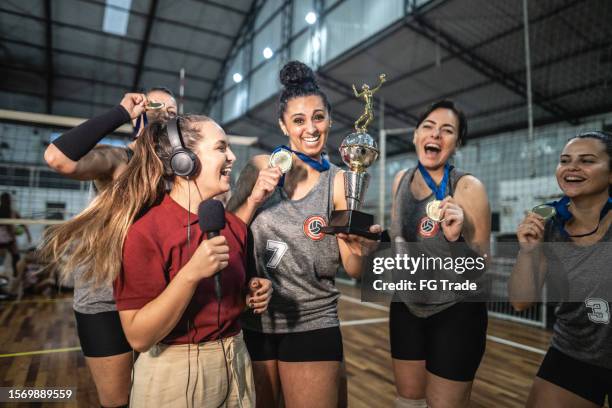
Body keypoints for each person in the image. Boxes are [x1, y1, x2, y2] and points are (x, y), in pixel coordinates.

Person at [42, 114, 272, 407]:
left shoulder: (235, 226)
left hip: (237, 364)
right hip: (174, 374)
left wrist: (253, 292)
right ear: (183, 161)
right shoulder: (145, 233)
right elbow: (139, 337)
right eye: (221, 147)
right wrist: (190, 274)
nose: (233, 156)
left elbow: (231, 301)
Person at [228, 60, 380, 408]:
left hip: (312, 320)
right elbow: (228, 234)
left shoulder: (342, 181)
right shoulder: (258, 168)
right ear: (283, 125)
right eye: (298, 120)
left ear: (330, 119)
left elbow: (353, 269)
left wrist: (360, 248)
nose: (310, 128)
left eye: (318, 117)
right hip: (253, 322)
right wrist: (254, 199)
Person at [41, 87, 177, 407]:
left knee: (157, 397)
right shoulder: (119, 159)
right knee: (118, 401)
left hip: (155, 300)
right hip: (105, 299)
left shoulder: (176, 174)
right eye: (157, 107)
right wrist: (119, 113)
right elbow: (56, 158)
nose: (165, 116)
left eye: (173, 113)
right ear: (141, 112)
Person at [389, 100, 491, 408]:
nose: (436, 135)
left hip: (456, 312)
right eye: (428, 127)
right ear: (416, 135)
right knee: (408, 403)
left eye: (447, 130)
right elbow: (398, 243)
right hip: (406, 306)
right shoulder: (400, 181)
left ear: (456, 143)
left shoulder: (468, 187)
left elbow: (479, 270)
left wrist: (456, 238)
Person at [510, 131, 612, 408]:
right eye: (565, 160)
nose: (572, 167)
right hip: (575, 350)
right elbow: (520, 301)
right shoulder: (549, 225)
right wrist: (528, 250)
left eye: (587, 160)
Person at [0, 192, 32, 277]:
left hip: (8, 239)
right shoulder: (12, 212)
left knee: (15, 256)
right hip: (9, 239)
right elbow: (23, 224)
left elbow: (22, 223)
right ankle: (15, 274)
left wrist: (28, 235)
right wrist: (28, 235)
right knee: (15, 256)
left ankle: (15, 274)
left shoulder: (12, 212)